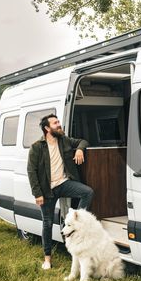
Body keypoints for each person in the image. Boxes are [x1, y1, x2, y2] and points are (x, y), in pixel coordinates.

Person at [27, 113, 94, 270]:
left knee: (87, 192)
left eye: (58, 122)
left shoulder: (64, 140)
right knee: (47, 223)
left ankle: (73, 222)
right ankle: (47, 259)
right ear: (47, 128)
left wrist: (79, 150)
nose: (59, 124)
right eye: (55, 123)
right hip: (47, 190)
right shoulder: (37, 147)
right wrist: (37, 194)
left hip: (64, 184)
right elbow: (31, 171)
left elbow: (83, 141)